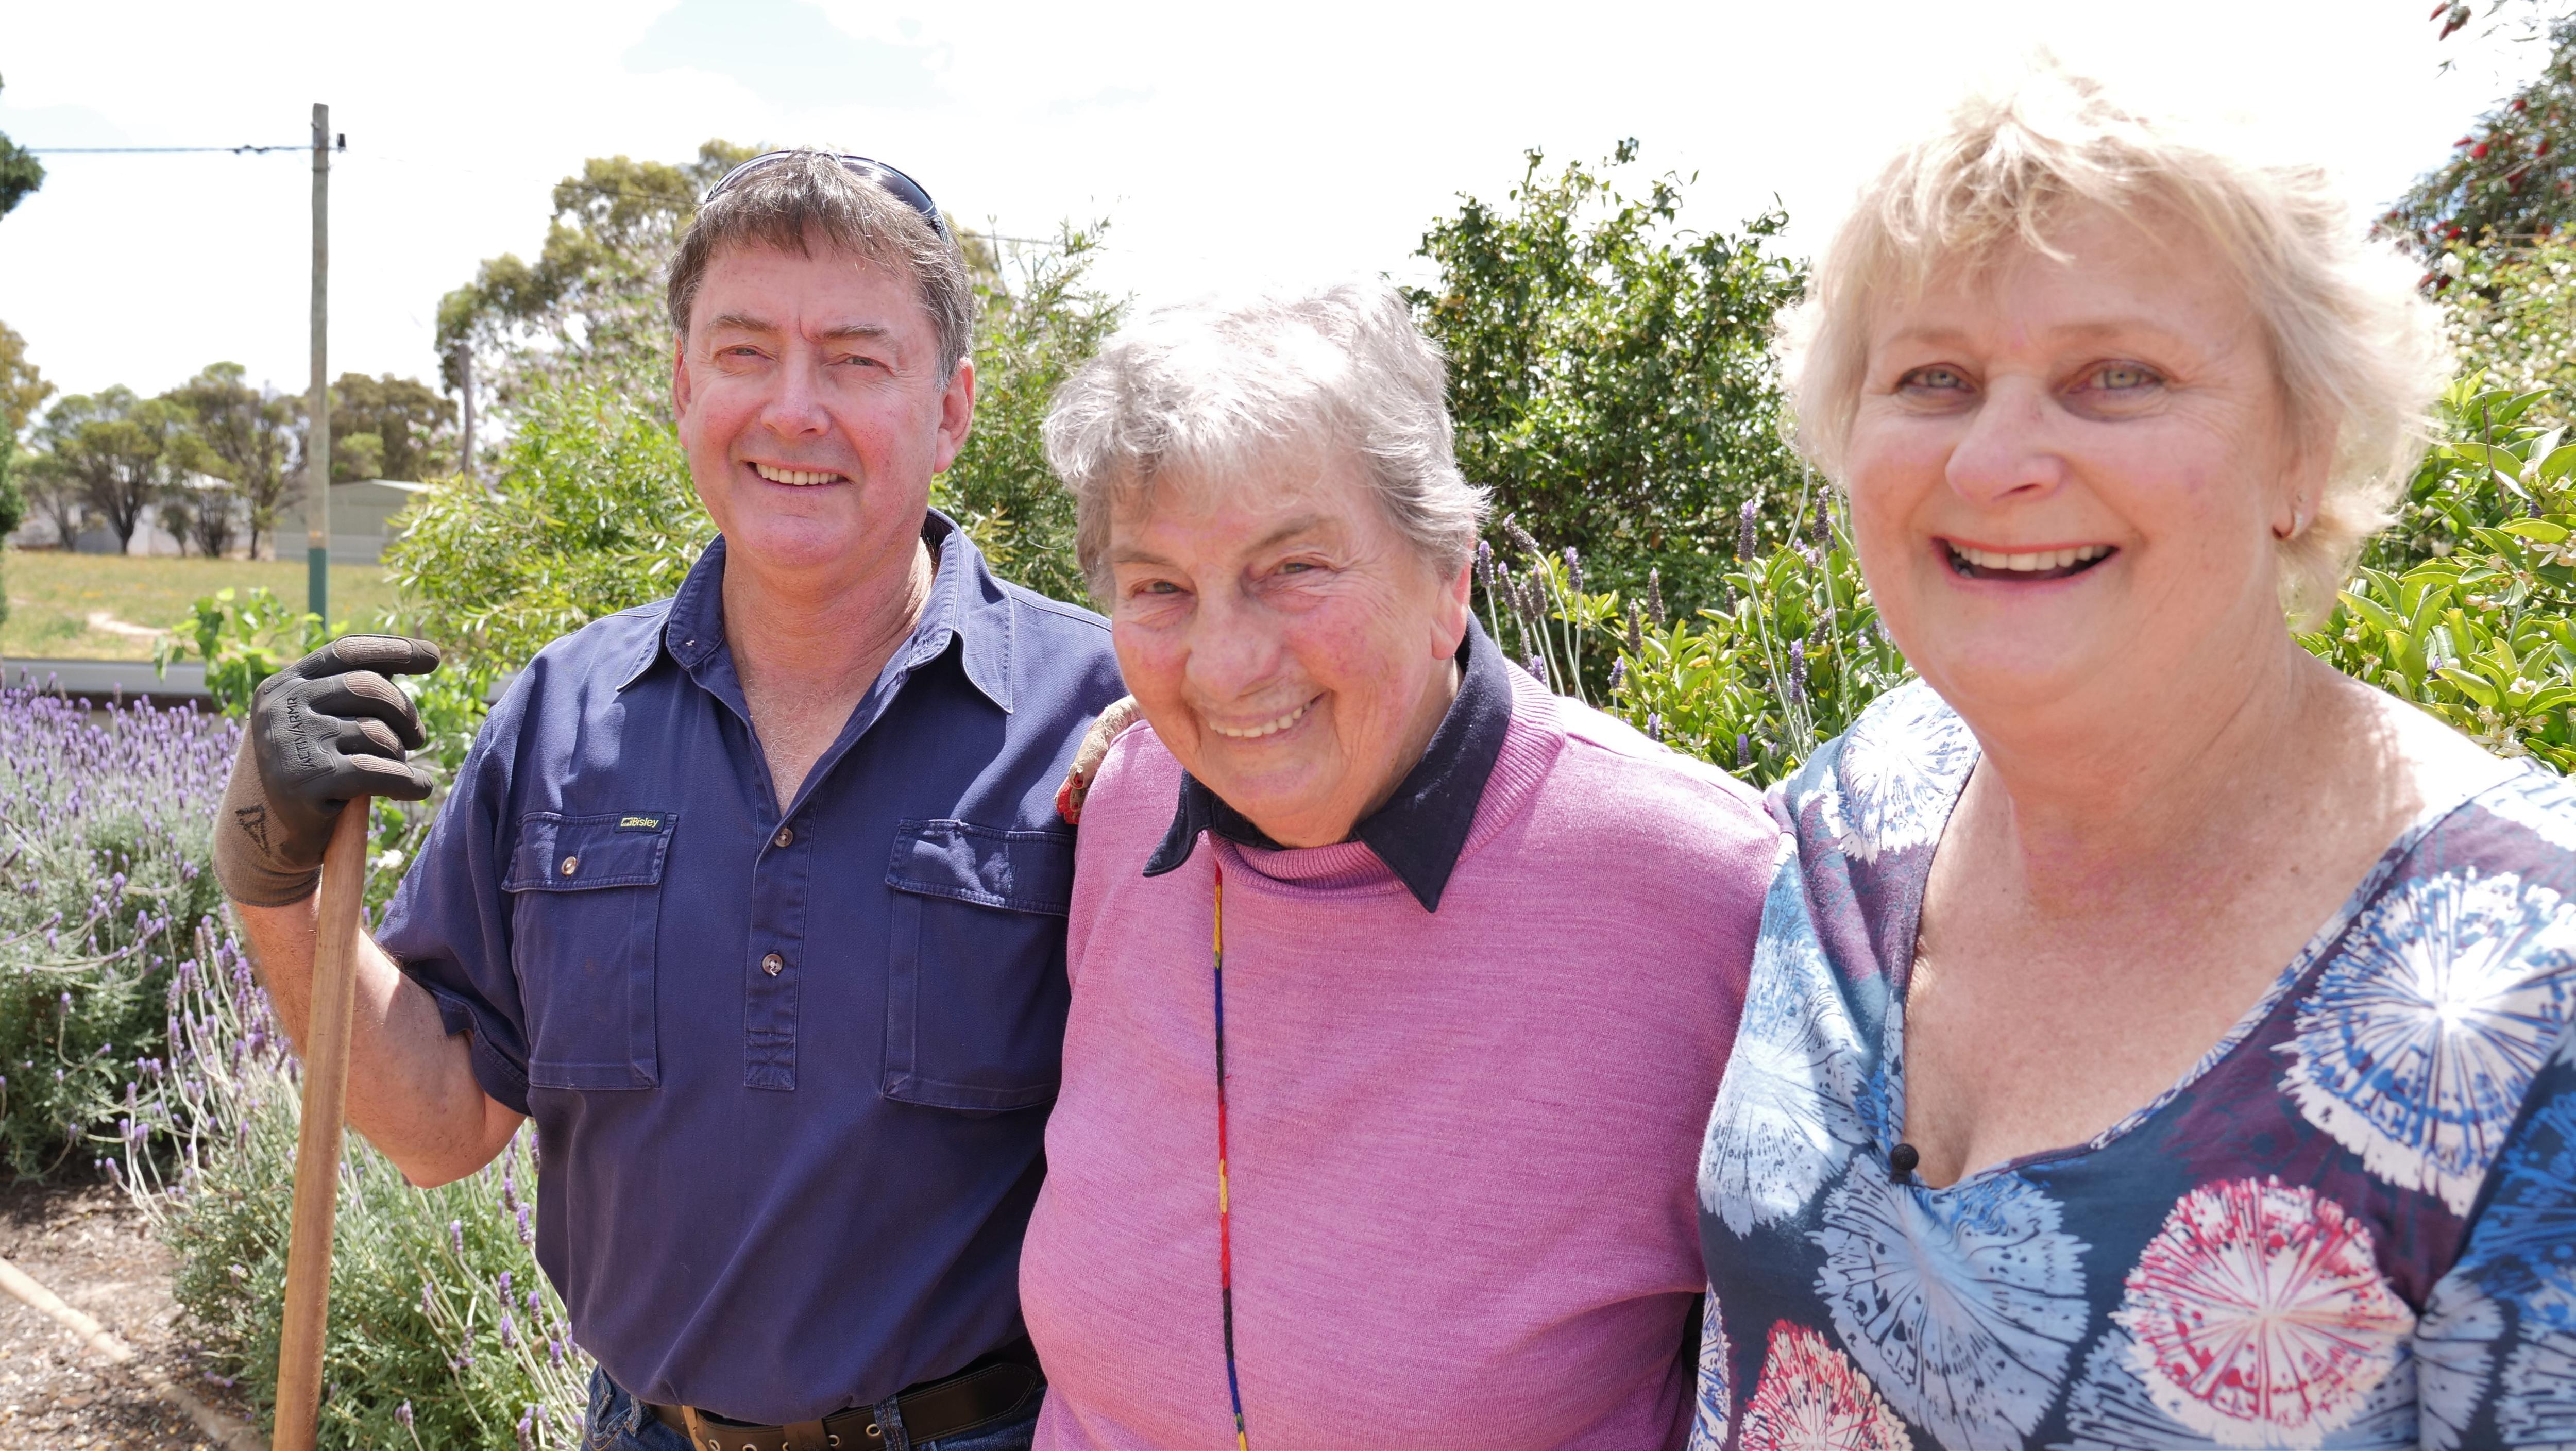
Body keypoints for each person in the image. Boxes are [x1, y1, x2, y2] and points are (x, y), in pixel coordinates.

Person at [1688, 69, 2576, 1449]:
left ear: (2305, 449)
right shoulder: (1860, 809)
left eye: (2119, 377)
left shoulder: (2532, 995)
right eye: (1933, 379)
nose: (1993, 460)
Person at [212, 151, 1123, 1451]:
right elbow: (438, 1124)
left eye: (856, 360)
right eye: (745, 352)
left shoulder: (1107, 718)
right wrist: (275, 878)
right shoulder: (563, 711)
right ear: (686, 387)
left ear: (951, 408)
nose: (793, 410)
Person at [1016, 280, 1783, 1449]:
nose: (1222, 667)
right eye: (1160, 587)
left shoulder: (1697, 885)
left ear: (1449, 578)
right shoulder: (1125, 807)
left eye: (1293, 567)